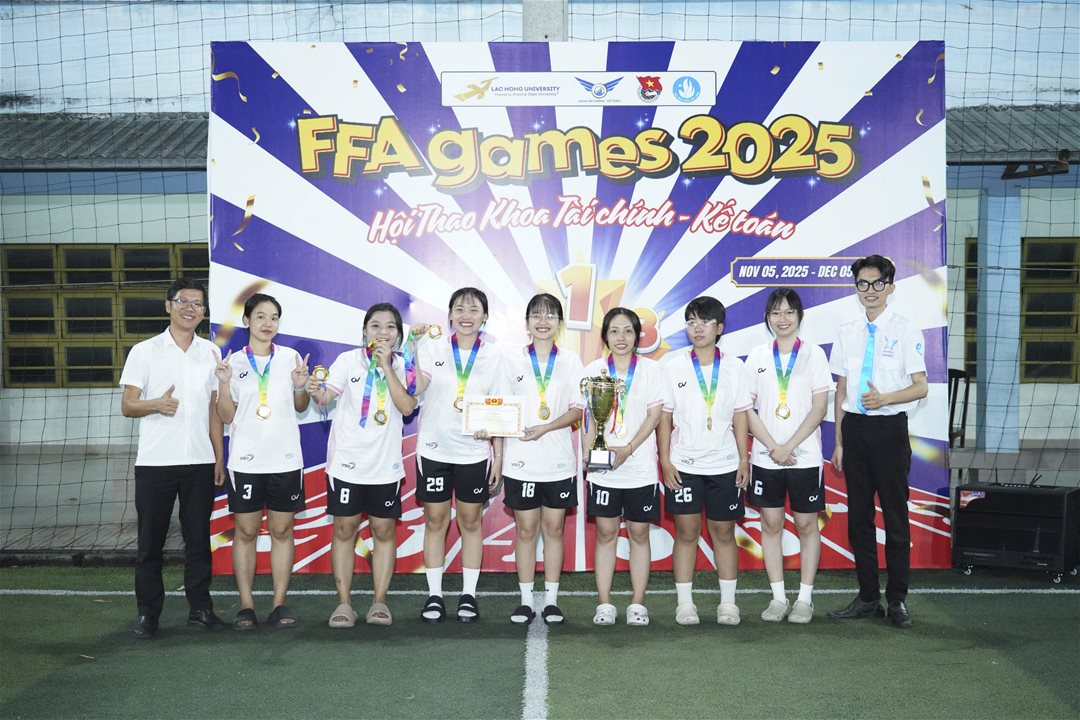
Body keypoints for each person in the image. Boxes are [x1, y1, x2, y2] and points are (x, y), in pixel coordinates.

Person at [119, 277, 226, 638]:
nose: (189, 308)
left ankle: (201, 609)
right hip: (155, 464)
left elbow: (214, 412)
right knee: (150, 543)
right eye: (183, 301)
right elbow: (128, 405)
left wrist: (218, 457)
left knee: (198, 541)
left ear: (203, 312)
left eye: (197, 303)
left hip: (200, 463)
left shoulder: (211, 353)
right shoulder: (144, 351)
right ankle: (148, 615)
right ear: (168, 306)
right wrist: (156, 404)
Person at [828, 255, 928, 629]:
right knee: (859, 519)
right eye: (863, 284)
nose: (870, 290)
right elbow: (841, 390)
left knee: (895, 517)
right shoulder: (847, 331)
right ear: (856, 288)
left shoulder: (905, 330)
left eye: (877, 283)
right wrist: (839, 442)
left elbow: (920, 387)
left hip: (889, 432)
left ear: (890, 287)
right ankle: (868, 596)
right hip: (854, 431)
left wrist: (885, 398)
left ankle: (897, 599)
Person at [307, 303, 417, 628]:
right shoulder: (347, 361)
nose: (382, 332)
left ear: (398, 334)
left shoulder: (406, 366)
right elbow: (324, 398)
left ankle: (379, 601)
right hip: (347, 464)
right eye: (375, 326)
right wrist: (311, 389)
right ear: (365, 331)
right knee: (344, 529)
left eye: (390, 327)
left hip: (385, 466)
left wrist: (388, 367)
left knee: (383, 531)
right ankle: (344, 604)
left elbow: (407, 406)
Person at [213, 293, 310, 630]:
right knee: (246, 531)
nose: (268, 324)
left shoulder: (290, 358)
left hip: (285, 460)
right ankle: (246, 604)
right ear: (247, 321)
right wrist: (224, 384)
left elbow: (300, 407)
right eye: (261, 317)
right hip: (246, 462)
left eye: (274, 318)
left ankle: (279, 603)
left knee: (282, 530)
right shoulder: (233, 363)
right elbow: (226, 416)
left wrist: (301, 387)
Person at [657, 296, 751, 626]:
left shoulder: (735, 367)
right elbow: (665, 417)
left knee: (723, 532)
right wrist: (665, 460)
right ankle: (685, 604)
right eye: (691, 322)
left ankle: (728, 604)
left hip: (725, 464)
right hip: (684, 464)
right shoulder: (673, 367)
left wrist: (744, 459)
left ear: (719, 328)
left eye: (705, 322)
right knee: (686, 533)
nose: (698, 328)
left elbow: (741, 416)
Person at [413, 287, 506, 623]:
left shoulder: (495, 356)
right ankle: (434, 596)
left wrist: (497, 456)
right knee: (435, 520)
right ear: (450, 314)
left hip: (473, 451)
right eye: (460, 309)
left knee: (470, 521)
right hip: (434, 448)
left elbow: (499, 407)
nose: (467, 315)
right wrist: (412, 351)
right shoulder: (431, 348)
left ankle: (468, 595)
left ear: (485, 317)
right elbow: (416, 388)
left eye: (474, 309)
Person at [744, 288, 832, 624]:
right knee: (771, 524)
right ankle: (779, 598)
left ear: (799, 316)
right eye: (776, 312)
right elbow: (746, 408)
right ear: (767, 317)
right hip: (766, 456)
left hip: (804, 456)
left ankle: (804, 600)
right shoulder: (757, 356)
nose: (782, 319)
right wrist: (773, 447)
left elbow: (819, 408)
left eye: (789, 312)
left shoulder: (814, 355)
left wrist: (789, 446)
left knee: (807, 524)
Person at [498, 294, 584, 625]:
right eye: (536, 315)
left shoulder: (571, 361)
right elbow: (500, 408)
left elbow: (578, 410)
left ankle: (550, 601)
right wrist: (494, 439)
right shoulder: (512, 360)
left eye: (550, 315)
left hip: (558, 460)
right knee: (526, 529)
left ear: (559, 323)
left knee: (554, 529)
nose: (543, 321)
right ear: (527, 322)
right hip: (520, 460)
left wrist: (545, 428)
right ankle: (524, 601)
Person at [582, 308, 664, 626]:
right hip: (604, 469)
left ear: (636, 336)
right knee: (606, 533)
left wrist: (628, 449)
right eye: (614, 331)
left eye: (628, 331)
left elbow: (655, 416)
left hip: (639, 465)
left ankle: (637, 604)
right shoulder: (593, 370)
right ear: (605, 335)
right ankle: (604, 603)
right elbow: (588, 418)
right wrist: (589, 454)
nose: (621, 337)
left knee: (639, 533)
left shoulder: (651, 371)